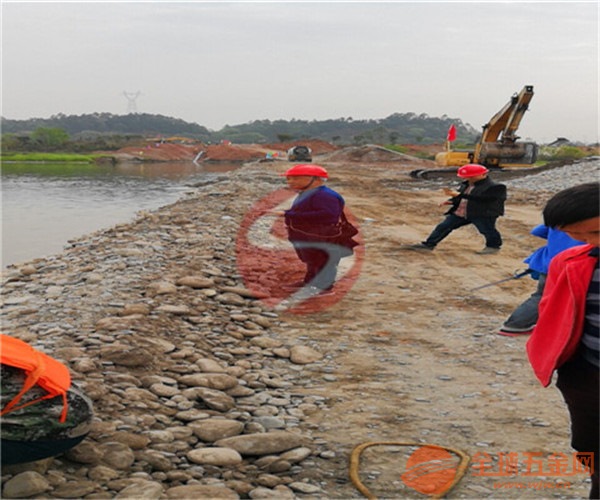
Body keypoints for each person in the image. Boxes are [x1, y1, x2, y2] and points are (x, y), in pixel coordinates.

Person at [526, 182, 599, 499]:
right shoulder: (570, 262)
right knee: (587, 444)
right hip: (587, 376)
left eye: (595, 232)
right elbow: (552, 310)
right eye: (578, 236)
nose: (589, 242)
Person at [268, 164, 354, 296]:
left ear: (316, 179)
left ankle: (323, 288)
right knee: (312, 259)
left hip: (321, 234)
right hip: (308, 233)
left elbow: (327, 215)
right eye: (289, 179)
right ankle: (309, 282)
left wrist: (288, 214)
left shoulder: (325, 195)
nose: (290, 182)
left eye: (296, 179)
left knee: (322, 260)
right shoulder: (308, 193)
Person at [498, 225, 583, 336]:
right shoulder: (592, 224)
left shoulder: (560, 216)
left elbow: (537, 231)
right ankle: (516, 325)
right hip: (575, 266)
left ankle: (517, 324)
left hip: (550, 264)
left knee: (544, 296)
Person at [406, 164, 507, 254]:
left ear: (482, 175)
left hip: (482, 213)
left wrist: (460, 195)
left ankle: (493, 246)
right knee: (443, 227)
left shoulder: (496, 187)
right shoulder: (466, 184)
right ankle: (428, 244)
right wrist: (452, 200)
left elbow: (486, 200)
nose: (468, 179)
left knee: (487, 230)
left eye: (470, 177)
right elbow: (460, 196)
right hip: (461, 212)